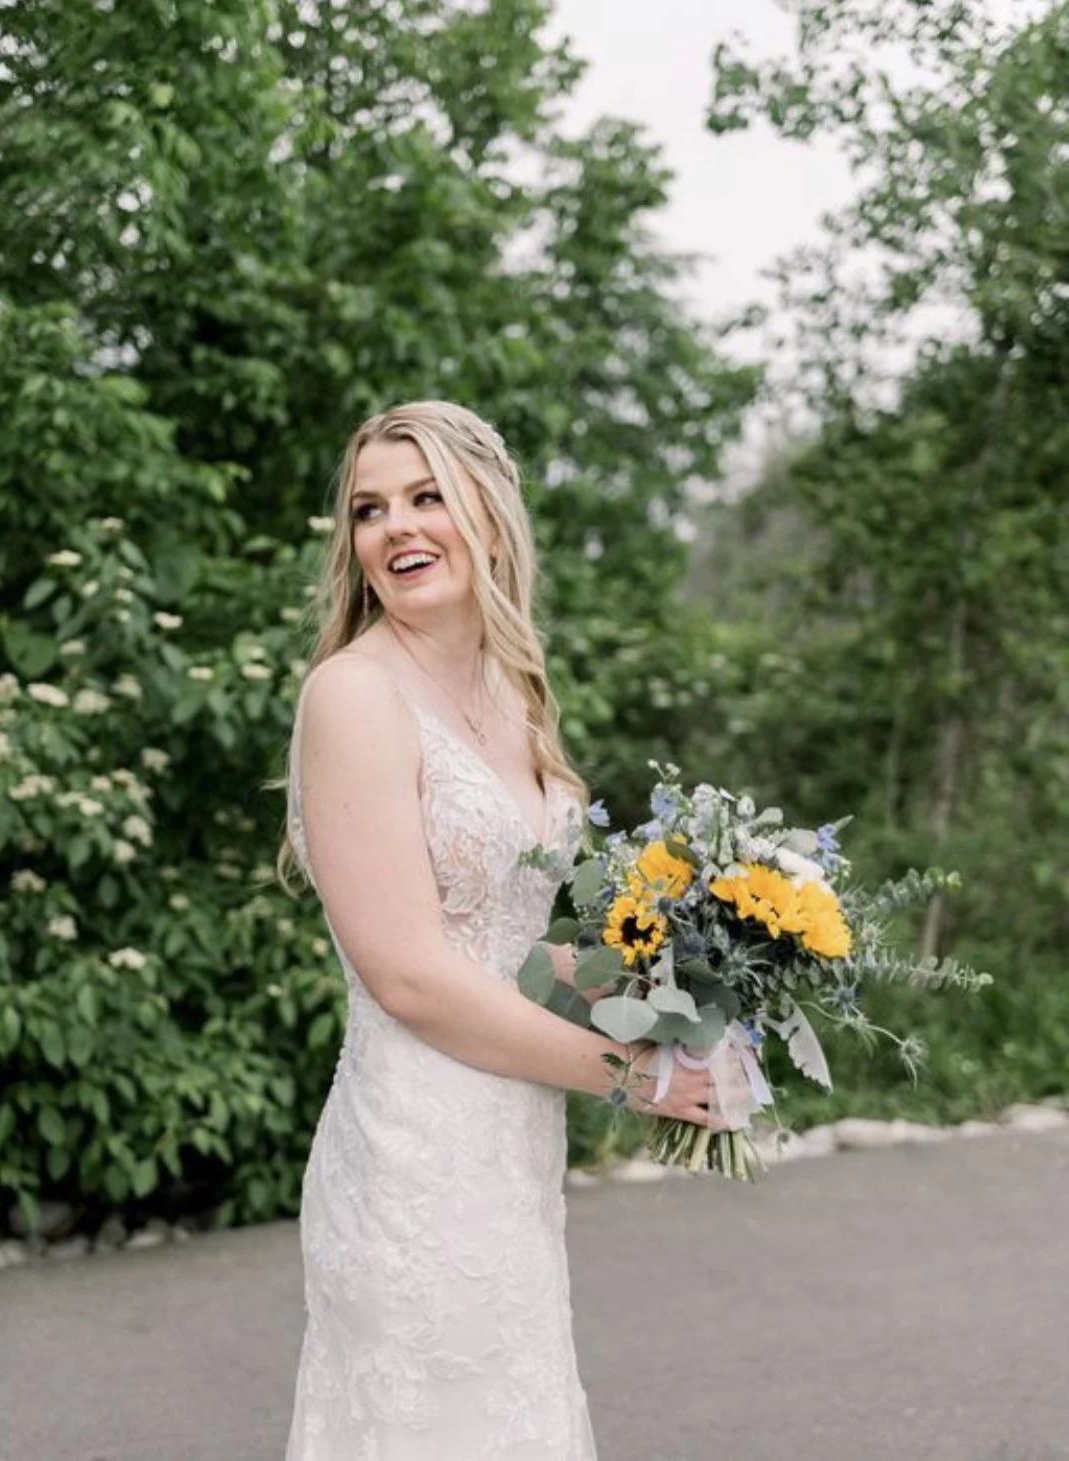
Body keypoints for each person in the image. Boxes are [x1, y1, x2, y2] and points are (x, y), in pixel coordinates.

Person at [276, 400, 717, 1460]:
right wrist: (630, 1074)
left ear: (488, 512)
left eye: (427, 496)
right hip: (411, 1158)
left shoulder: (509, 695)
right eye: (370, 510)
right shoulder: (353, 696)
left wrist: (690, 998)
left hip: (512, 1152)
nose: (397, 528)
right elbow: (414, 978)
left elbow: (507, 950)